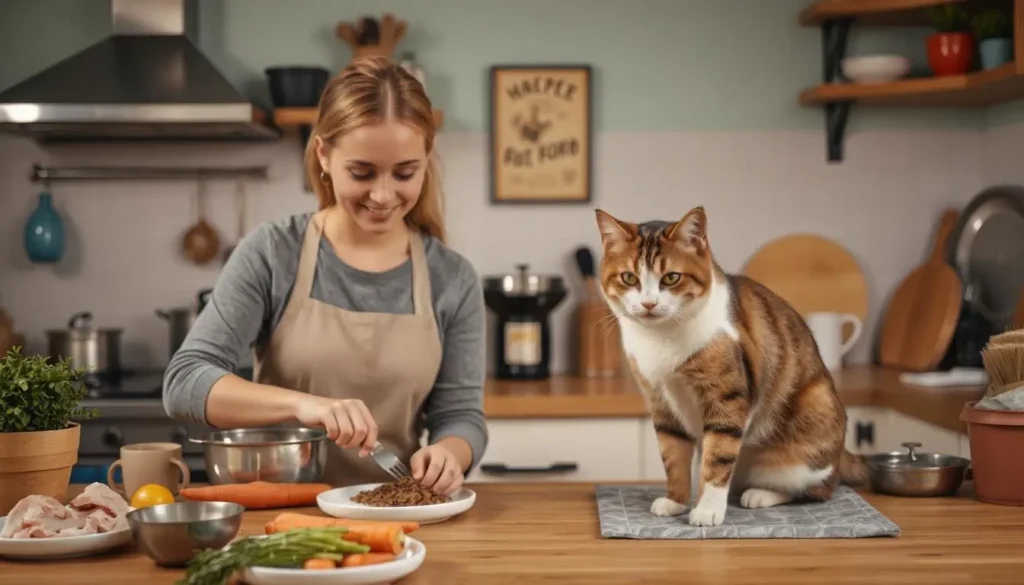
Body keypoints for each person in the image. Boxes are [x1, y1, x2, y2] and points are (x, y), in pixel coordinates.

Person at [162, 56, 488, 495]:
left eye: (405, 172)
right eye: (362, 171)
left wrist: (452, 452)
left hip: (394, 518)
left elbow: (462, 415)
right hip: (281, 516)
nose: (383, 194)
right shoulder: (274, 251)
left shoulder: (453, 278)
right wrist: (303, 405)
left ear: (426, 160)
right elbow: (184, 382)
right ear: (323, 154)